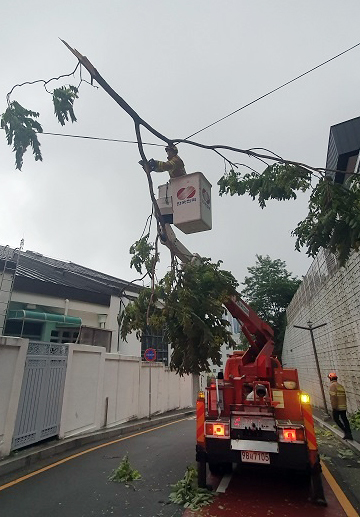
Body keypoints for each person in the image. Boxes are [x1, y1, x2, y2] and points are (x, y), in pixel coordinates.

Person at [328, 372, 353, 440]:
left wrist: (334, 407)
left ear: (330, 378)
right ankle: (349, 433)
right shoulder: (340, 386)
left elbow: (333, 398)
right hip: (343, 406)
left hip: (337, 407)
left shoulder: (332, 386)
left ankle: (346, 432)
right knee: (345, 419)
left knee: (336, 419)